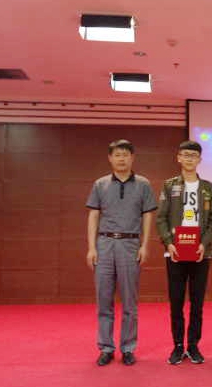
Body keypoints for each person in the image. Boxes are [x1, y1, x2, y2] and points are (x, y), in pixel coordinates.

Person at [85, 139, 157, 366]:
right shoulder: (100, 184)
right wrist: (91, 247)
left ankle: (128, 348)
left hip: (130, 244)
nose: (122, 158)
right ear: (110, 158)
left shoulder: (143, 184)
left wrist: (145, 245)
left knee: (129, 302)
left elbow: (148, 215)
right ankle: (106, 348)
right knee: (103, 300)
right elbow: (93, 215)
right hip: (105, 244)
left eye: (125, 154)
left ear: (132, 158)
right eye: (117, 155)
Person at [156, 140, 212, 365]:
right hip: (175, 252)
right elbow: (161, 218)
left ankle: (193, 345)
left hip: (201, 252)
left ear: (199, 159)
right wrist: (168, 243)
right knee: (176, 302)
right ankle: (177, 345)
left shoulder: (208, 187)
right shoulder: (169, 185)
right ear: (178, 158)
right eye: (185, 155)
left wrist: (204, 243)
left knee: (197, 302)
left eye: (193, 155)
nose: (189, 159)